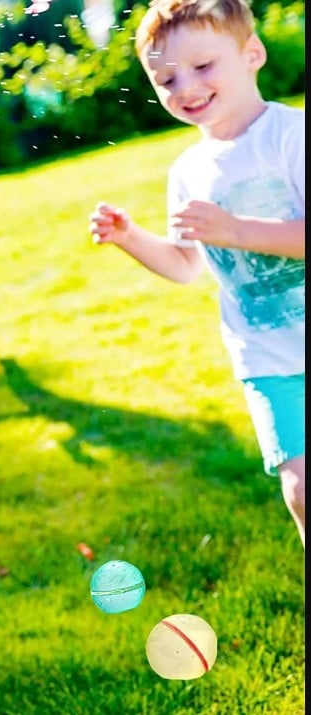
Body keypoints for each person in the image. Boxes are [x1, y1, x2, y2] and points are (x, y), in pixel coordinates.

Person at [88, 0, 304, 547]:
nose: (185, 87)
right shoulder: (187, 172)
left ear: (251, 53)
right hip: (267, 356)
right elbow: (187, 265)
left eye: (203, 67)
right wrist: (130, 238)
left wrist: (237, 231)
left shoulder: (290, 136)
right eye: (166, 79)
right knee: (301, 490)